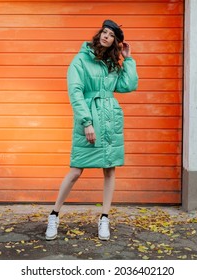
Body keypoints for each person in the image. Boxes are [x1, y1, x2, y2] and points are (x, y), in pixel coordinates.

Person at [45, 19, 138, 241]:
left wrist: (129, 58)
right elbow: (75, 93)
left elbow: (128, 85)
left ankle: (104, 218)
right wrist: (87, 122)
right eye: (104, 32)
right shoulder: (80, 60)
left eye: (111, 35)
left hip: (111, 119)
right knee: (76, 170)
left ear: (115, 41)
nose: (106, 36)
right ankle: (54, 215)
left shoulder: (113, 63)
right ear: (99, 35)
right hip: (89, 117)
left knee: (110, 170)